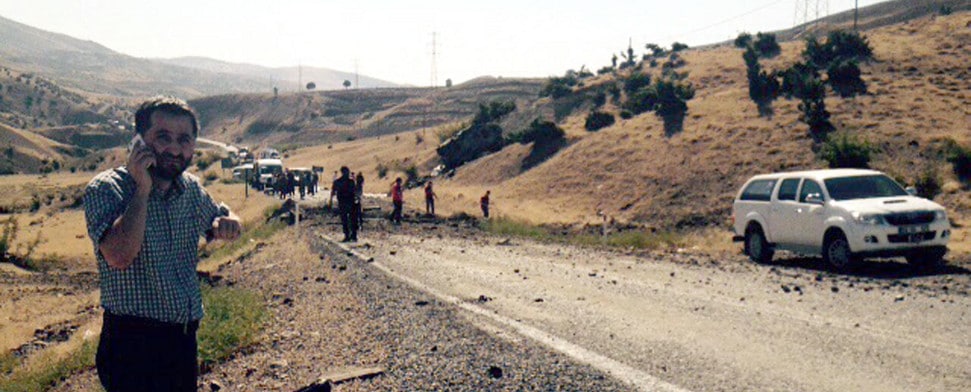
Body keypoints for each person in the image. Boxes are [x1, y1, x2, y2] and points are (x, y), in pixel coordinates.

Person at [84, 97, 242, 392]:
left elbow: (218, 216)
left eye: (184, 139)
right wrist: (142, 189)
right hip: (132, 345)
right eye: (163, 137)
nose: (174, 148)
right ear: (138, 141)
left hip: (181, 341)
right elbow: (118, 256)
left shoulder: (190, 189)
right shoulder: (107, 188)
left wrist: (228, 220)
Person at [329, 166, 357, 241]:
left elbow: (355, 191)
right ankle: (348, 235)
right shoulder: (339, 182)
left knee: (351, 219)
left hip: (349, 203)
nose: (347, 174)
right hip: (345, 202)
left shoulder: (346, 182)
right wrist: (330, 201)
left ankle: (352, 235)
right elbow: (333, 192)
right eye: (346, 172)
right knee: (346, 219)